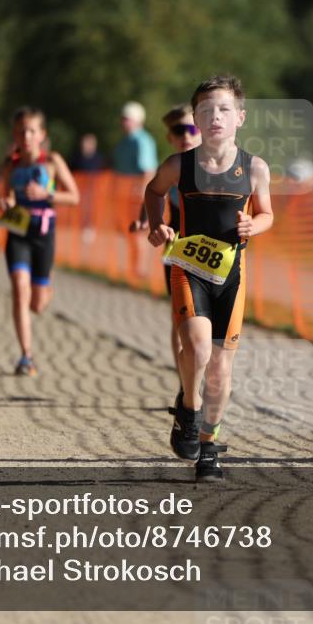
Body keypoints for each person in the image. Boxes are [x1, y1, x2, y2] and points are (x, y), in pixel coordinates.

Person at [144, 75, 273, 482]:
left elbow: (267, 213)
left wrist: (257, 224)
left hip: (231, 275)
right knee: (198, 348)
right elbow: (153, 191)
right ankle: (188, 403)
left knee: (221, 368)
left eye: (223, 109)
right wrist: (157, 226)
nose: (214, 116)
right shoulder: (179, 164)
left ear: (240, 117)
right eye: (205, 110)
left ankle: (209, 445)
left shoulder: (254, 167)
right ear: (196, 119)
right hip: (190, 268)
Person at [0, 106, 80, 377]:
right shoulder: (11, 164)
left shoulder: (52, 161)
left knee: (37, 304)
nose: (26, 135)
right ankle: (26, 356)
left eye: (31, 130)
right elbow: (3, 196)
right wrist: (3, 202)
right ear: (15, 134)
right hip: (18, 231)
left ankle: (44, 291)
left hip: (44, 232)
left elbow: (74, 196)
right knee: (20, 288)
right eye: (21, 130)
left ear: (41, 134)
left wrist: (46, 193)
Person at [130, 104, 202, 410]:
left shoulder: (217, 165)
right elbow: (153, 195)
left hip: (212, 252)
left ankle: (204, 380)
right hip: (176, 247)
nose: (186, 136)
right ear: (169, 137)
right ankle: (185, 386)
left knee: (207, 323)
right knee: (180, 320)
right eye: (178, 131)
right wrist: (145, 220)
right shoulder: (172, 166)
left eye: (191, 128)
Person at [115, 102, 158, 279]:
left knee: (139, 232)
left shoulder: (143, 141)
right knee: (128, 233)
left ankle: (140, 272)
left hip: (137, 195)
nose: (123, 122)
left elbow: (148, 170)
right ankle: (132, 270)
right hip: (124, 195)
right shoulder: (124, 142)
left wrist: (144, 195)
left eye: (127, 119)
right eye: (123, 119)